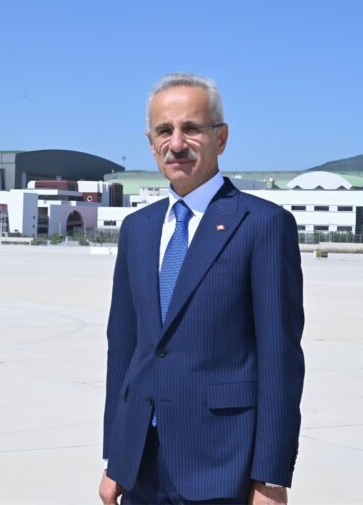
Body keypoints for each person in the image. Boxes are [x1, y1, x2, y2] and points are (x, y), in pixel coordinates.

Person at [99, 73, 305, 504]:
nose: (176, 143)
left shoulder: (262, 225)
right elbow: (124, 349)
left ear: (221, 138)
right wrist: (115, 457)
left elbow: (280, 359)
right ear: (150, 142)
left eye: (191, 128)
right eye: (164, 131)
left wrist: (270, 477)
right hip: (140, 465)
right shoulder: (137, 229)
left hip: (222, 464)